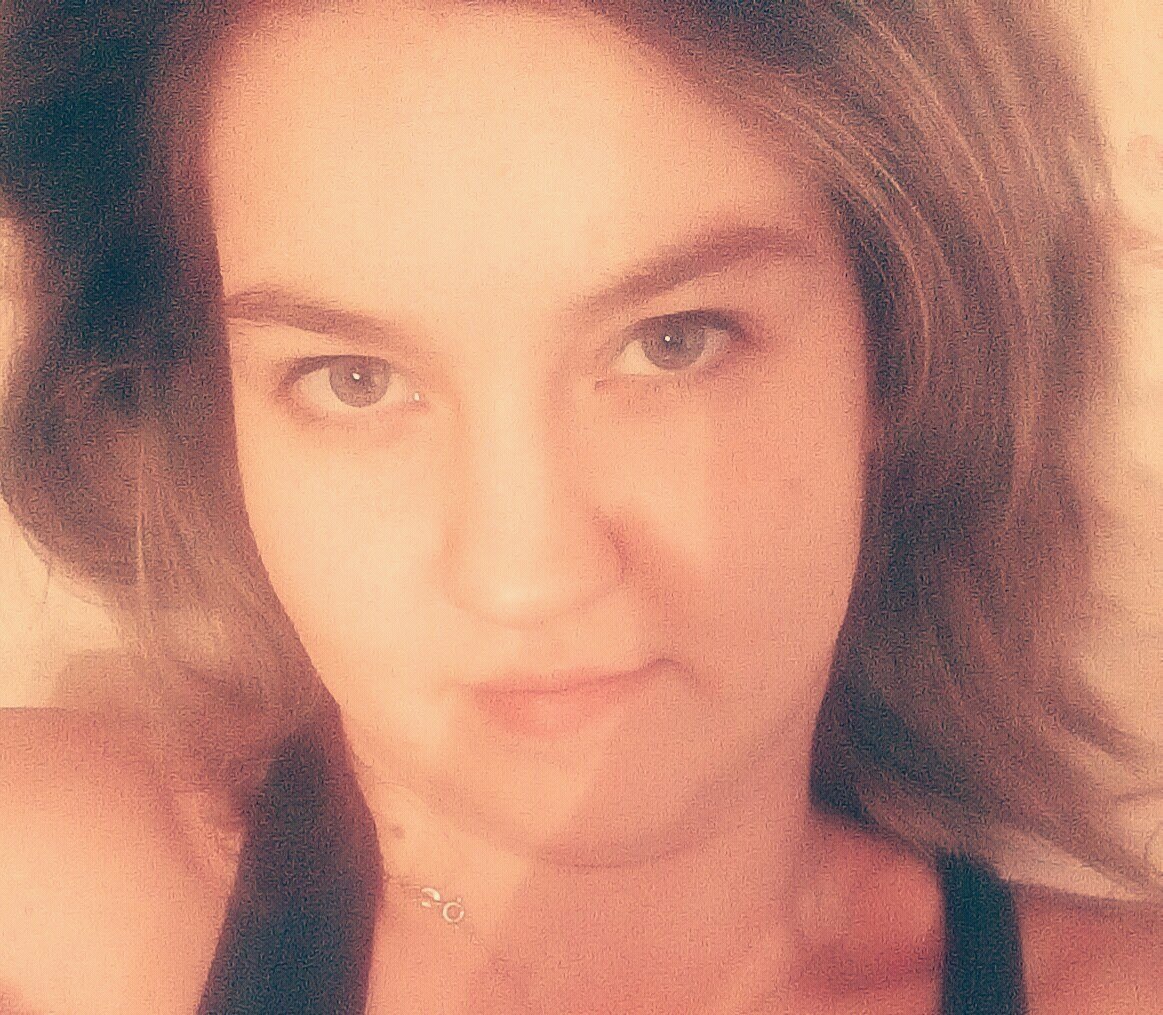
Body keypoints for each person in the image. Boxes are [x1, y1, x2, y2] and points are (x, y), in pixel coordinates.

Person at [0, 0, 1160, 1012]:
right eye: (352, 380)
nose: (525, 576)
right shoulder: (45, 903)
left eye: (673, 342)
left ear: (897, 356)